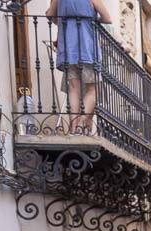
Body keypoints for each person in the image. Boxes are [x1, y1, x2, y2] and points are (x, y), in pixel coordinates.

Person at [47, 0, 111, 134]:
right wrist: (93, 19)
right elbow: (107, 18)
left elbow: (50, 15)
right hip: (87, 48)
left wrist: (64, 19)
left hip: (68, 47)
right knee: (94, 90)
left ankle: (73, 127)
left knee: (73, 88)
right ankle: (82, 122)